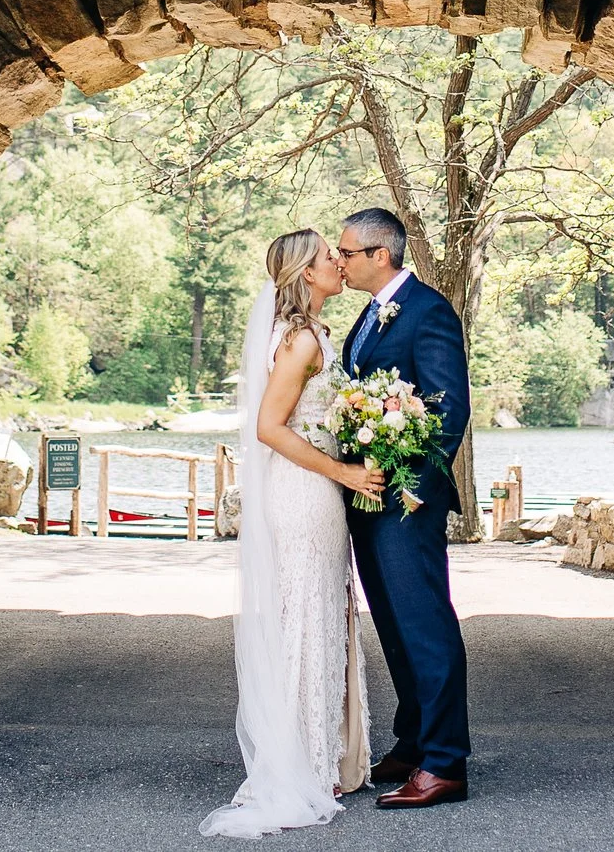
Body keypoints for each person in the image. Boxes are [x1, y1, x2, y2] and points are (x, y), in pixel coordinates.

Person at [200, 228, 383, 837]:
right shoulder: (302, 338)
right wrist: (344, 472)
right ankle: (299, 763)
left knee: (320, 613)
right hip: (304, 492)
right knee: (304, 615)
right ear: (308, 274)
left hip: (316, 489)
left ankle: (319, 756)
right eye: (331, 257)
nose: (340, 263)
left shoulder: (318, 333)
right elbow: (270, 427)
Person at [331, 205, 472, 809]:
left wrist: (398, 474)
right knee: (392, 623)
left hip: (405, 500)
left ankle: (445, 763)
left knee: (424, 623)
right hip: (367, 496)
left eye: (346, 253)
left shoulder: (429, 311)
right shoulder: (368, 315)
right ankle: (413, 742)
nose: (338, 261)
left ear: (379, 255)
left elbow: (446, 412)